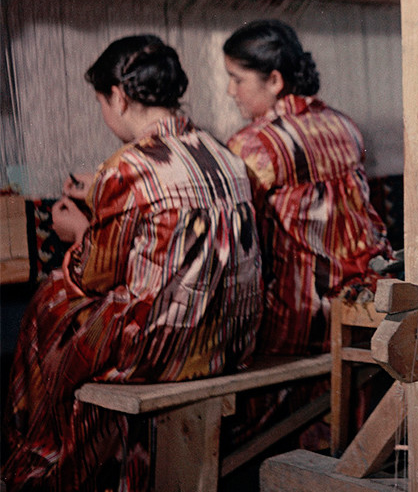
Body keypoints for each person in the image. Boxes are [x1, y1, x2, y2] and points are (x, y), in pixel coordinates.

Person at [2, 35, 263, 492]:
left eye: (102, 102)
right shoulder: (224, 154)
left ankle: (41, 463)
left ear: (119, 97)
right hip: (230, 340)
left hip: (165, 350)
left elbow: (90, 274)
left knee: (52, 300)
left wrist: (80, 230)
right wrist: (105, 193)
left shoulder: (128, 168)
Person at [223, 19, 393, 355]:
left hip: (299, 320)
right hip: (364, 307)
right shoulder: (344, 125)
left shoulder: (254, 146)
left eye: (236, 79)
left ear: (274, 80)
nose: (230, 91)